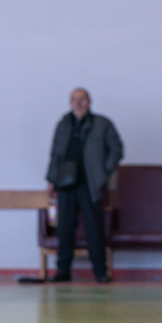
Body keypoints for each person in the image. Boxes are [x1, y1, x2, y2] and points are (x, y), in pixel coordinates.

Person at [45, 88, 123, 283]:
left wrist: (104, 172)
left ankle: (100, 272)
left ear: (89, 102)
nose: (78, 103)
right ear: (70, 103)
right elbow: (55, 154)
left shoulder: (102, 124)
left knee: (94, 230)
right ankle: (62, 271)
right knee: (64, 229)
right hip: (65, 184)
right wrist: (52, 180)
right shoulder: (63, 124)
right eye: (74, 100)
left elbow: (117, 149)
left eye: (82, 99)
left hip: (90, 185)